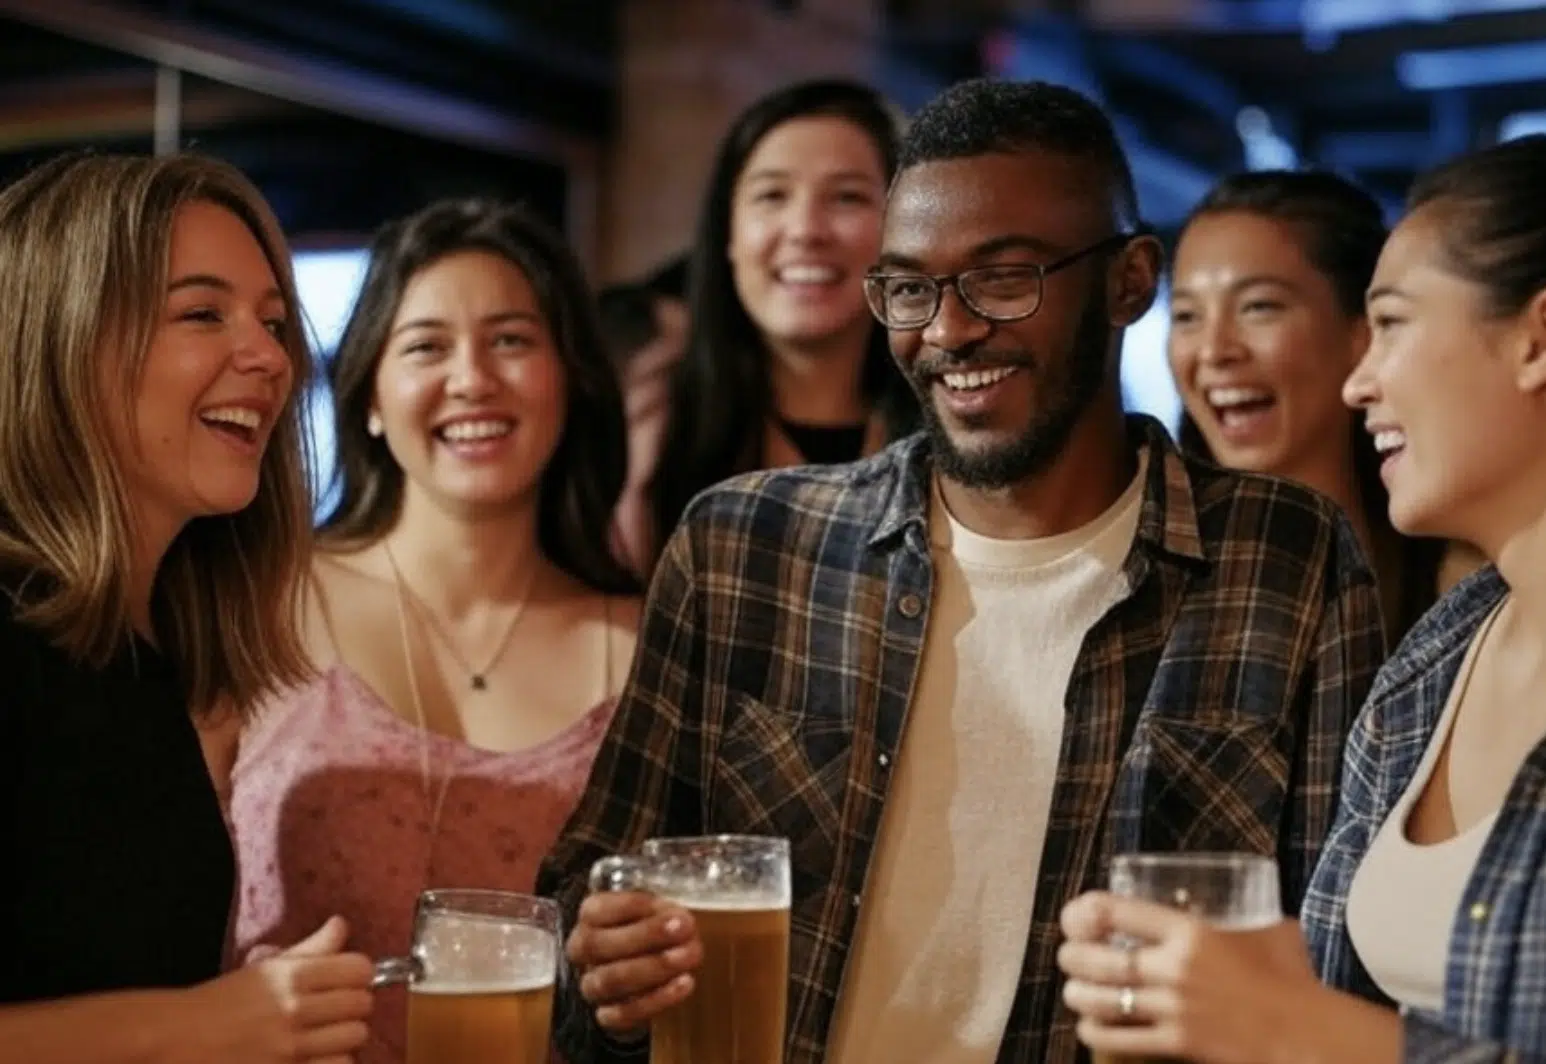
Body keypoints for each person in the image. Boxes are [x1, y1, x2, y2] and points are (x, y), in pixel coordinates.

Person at [537, 78, 1384, 1064]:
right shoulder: (744, 546)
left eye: (1004, 276)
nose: (946, 330)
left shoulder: (1285, 558)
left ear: (1128, 279)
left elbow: (1333, 971)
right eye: (908, 286)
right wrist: (601, 967)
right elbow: (581, 917)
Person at [1058, 133, 1546, 1062]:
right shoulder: (1433, 665)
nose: (1366, 377)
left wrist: (1292, 1025)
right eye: (1188, 314)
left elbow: (1317, 1027)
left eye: (1392, 324)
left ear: (1537, 338)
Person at [223, 198, 640, 1064]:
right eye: (425, 347)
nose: (472, 379)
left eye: (512, 340)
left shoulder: (647, 643)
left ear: (571, 380)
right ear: (369, 394)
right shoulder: (253, 601)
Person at [0, 152, 373, 1061]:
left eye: (274, 322)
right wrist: (208, 1024)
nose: (270, 358)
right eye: (202, 314)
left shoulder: (140, 653)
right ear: (59, 337)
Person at [633, 78, 919, 572]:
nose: (806, 229)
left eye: (847, 197)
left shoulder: (950, 439)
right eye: (772, 196)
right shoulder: (648, 438)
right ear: (728, 234)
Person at [1168, 170, 1449, 643]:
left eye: (1258, 307)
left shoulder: (1461, 576)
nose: (1214, 350)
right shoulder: (1146, 580)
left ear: (1365, 330)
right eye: (1186, 316)